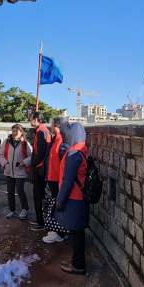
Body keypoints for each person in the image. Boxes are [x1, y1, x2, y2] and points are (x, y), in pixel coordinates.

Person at [56, 121, 89, 275]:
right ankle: (76, 259)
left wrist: (59, 200)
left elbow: (67, 181)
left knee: (77, 232)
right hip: (80, 196)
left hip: (74, 197)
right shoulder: (83, 149)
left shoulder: (73, 154)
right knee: (78, 231)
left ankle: (78, 264)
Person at [0, 123, 32, 220]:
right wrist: (5, 164)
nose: (15, 133)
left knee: (20, 190)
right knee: (10, 191)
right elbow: (0, 154)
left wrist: (24, 163)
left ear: (21, 132)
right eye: (13, 131)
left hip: (20, 171)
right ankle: (12, 210)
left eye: (17, 131)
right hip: (9, 171)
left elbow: (31, 156)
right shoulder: (7, 142)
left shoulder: (25, 143)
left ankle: (25, 209)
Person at [42, 116, 67, 243]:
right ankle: (60, 231)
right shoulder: (56, 139)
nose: (50, 126)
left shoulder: (61, 140)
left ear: (57, 126)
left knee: (59, 205)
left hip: (57, 179)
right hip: (53, 177)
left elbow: (63, 161)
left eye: (52, 124)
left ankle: (60, 233)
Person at [28, 112, 51, 231]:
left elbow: (40, 153)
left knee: (38, 195)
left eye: (31, 119)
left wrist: (33, 164)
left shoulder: (42, 132)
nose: (30, 121)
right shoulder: (42, 131)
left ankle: (41, 222)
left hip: (40, 169)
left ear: (36, 120)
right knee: (39, 194)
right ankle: (40, 219)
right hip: (41, 168)